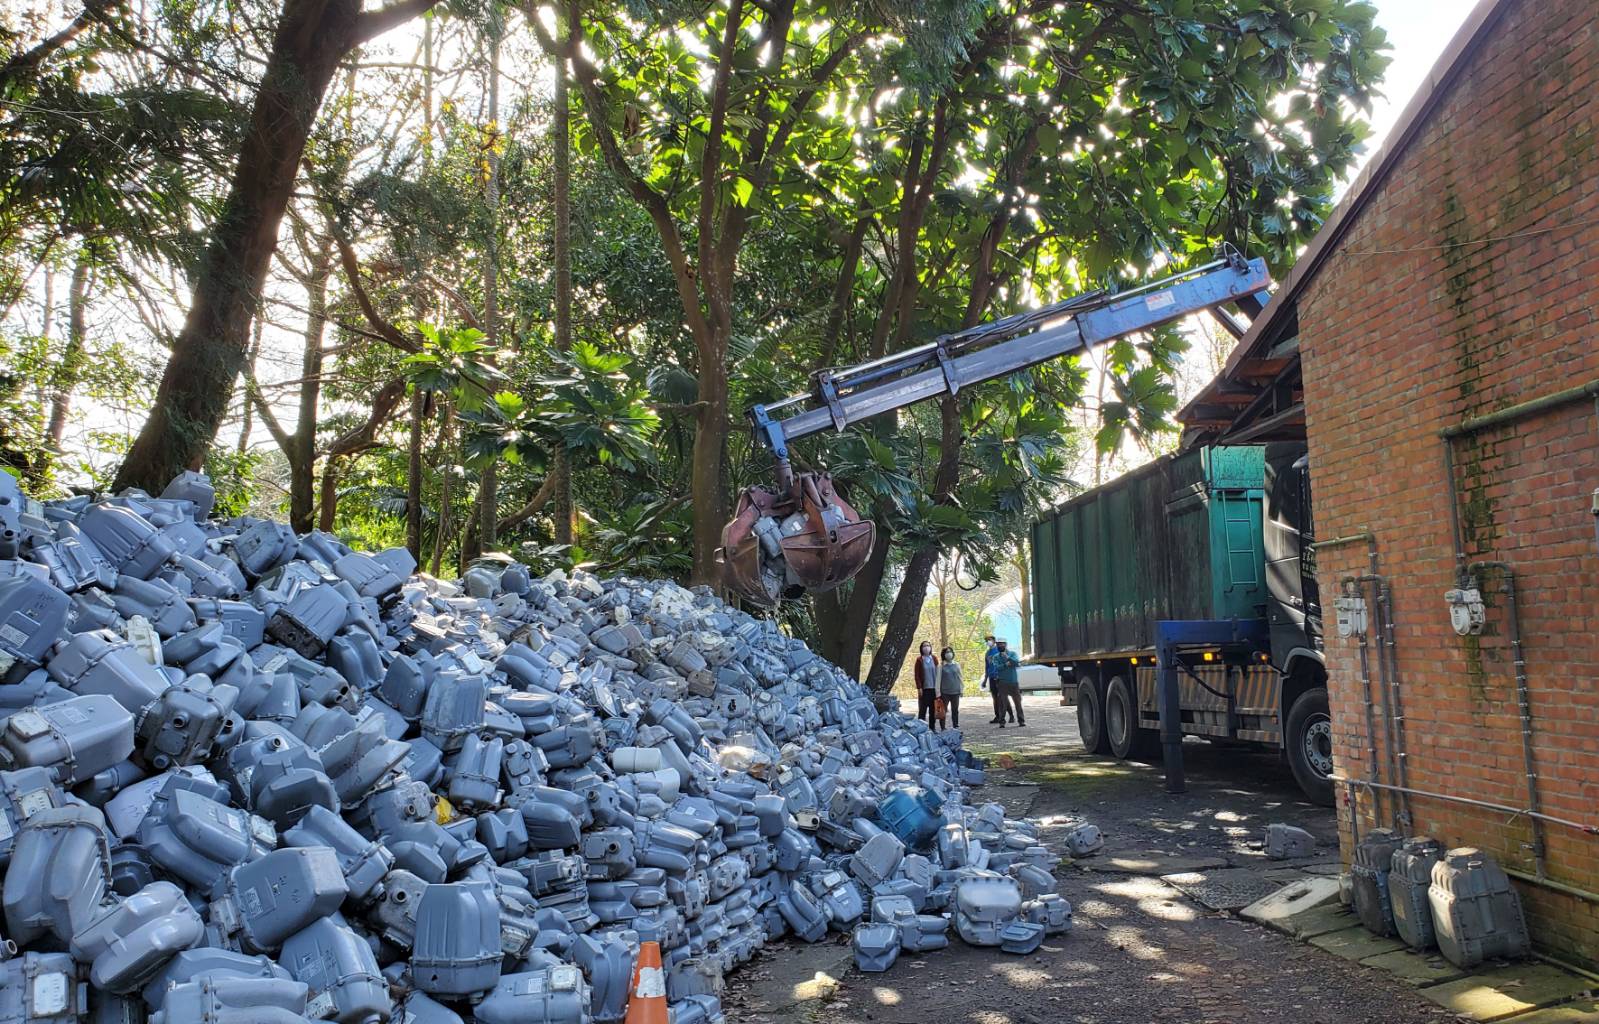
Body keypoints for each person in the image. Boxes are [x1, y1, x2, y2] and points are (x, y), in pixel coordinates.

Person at [988, 638, 1024, 728]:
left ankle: (1021, 721)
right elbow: (997, 667)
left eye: (1002, 644)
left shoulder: (1013, 654)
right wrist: (1006, 664)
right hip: (1002, 683)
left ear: (1006, 644)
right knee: (1002, 704)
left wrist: (1007, 658)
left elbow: (1016, 663)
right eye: (999, 644)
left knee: (1018, 703)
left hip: (1013, 682)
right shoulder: (996, 656)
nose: (1000, 646)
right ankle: (1002, 722)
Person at [981, 634, 1011, 724]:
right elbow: (987, 667)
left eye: (989, 640)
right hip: (991, 677)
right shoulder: (987, 653)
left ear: (994, 641)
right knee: (995, 698)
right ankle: (998, 716)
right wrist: (985, 679)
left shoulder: (999, 650)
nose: (988, 642)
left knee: (1002, 697)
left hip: (1000, 677)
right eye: (986, 641)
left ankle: (1010, 715)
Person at [912, 640, 938, 727]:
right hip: (924, 689)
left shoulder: (934, 659)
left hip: (934, 688)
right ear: (921, 648)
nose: (926, 648)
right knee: (923, 710)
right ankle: (921, 727)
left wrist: (939, 688)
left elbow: (938, 673)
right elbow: (917, 675)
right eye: (924, 646)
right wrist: (919, 688)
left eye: (928, 645)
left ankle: (932, 727)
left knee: (933, 710)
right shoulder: (919, 660)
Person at [937, 646, 963, 730]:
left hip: (955, 691)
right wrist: (938, 692)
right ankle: (943, 727)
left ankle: (955, 725)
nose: (949, 654)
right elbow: (938, 680)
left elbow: (960, 678)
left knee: (955, 710)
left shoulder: (956, 665)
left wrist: (961, 689)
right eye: (947, 652)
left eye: (950, 652)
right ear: (943, 654)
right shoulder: (941, 666)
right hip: (945, 692)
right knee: (943, 711)